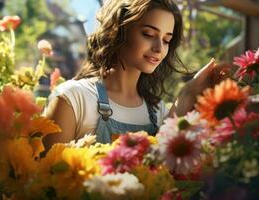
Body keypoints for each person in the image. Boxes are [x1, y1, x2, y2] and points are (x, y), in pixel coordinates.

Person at [44, 0, 224, 147]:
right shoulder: (74, 98)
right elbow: (46, 184)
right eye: (148, 34)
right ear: (118, 30)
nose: (159, 48)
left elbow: (167, 176)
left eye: (166, 40)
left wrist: (189, 93)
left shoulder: (158, 111)